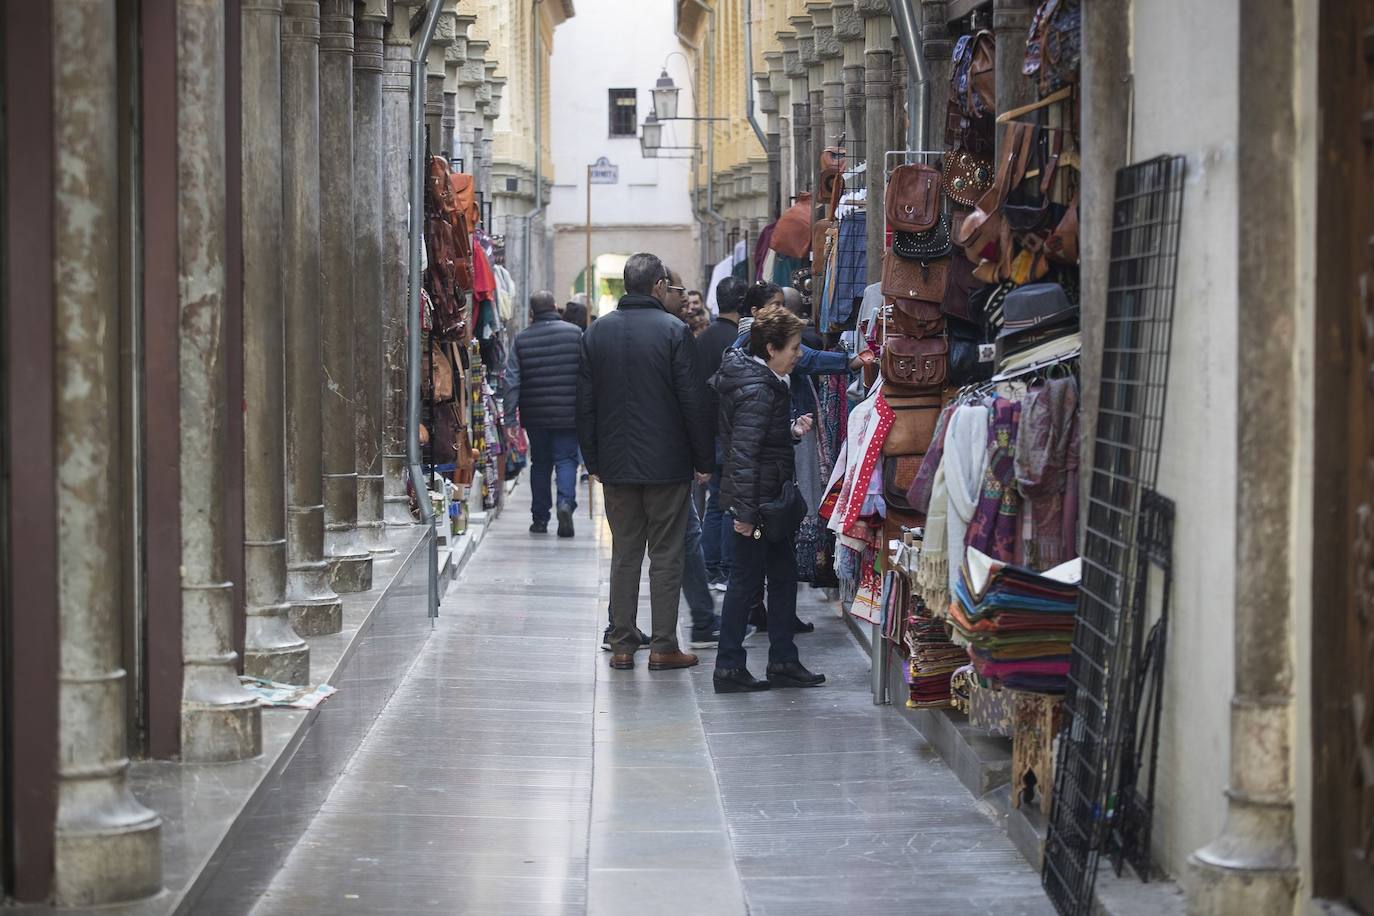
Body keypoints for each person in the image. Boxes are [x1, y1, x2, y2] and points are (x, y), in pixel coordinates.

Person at [577, 253, 714, 671]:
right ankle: (663, 645)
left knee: (625, 553)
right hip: (667, 464)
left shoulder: (596, 333)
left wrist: (593, 459)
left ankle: (621, 644)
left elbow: (584, 405)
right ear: (657, 286)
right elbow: (692, 400)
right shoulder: (675, 331)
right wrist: (703, 457)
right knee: (667, 555)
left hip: (617, 465)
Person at [711, 304, 826, 693]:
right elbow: (743, 455)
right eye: (794, 348)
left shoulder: (763, 381)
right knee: (745, 584)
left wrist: (790, 432)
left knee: (780, 578)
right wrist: (744, 514)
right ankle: (729, 666)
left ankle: (782, 660)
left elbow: (758, 442)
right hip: (759, 507)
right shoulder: (760, 389)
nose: (798, 354)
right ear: (772, 348)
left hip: (767, 503)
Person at [504, 290, 582, 537]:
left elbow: (512, 380)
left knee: (540, 464)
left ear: (531, 313)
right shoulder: (575, 334)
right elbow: (588, 375)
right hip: (569, 413)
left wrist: (509, 417)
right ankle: (565, 503)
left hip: (535, 415)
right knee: (566, 460)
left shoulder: (522, 339)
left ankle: (540, 519)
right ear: (555, 306)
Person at [696, 277, 747, 592]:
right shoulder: (737, 341)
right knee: (731, 503)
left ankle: (710, 566)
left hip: (709, 431)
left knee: (716, 502)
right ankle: (728, 568)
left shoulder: (702, 339)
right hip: (732, 432)